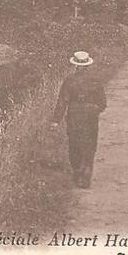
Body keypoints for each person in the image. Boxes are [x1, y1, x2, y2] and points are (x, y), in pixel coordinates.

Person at [51, 51, 107, 188]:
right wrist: (95, 110)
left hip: (74, 116)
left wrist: (55, 120)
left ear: (75, 65)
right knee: (90, 145)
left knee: (74, 144)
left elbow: (62, 102)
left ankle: (77, 173)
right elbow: (103, 103)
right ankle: (86, 174)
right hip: (91, 116)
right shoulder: (96, 80)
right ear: (88, 65)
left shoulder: (69, 81)